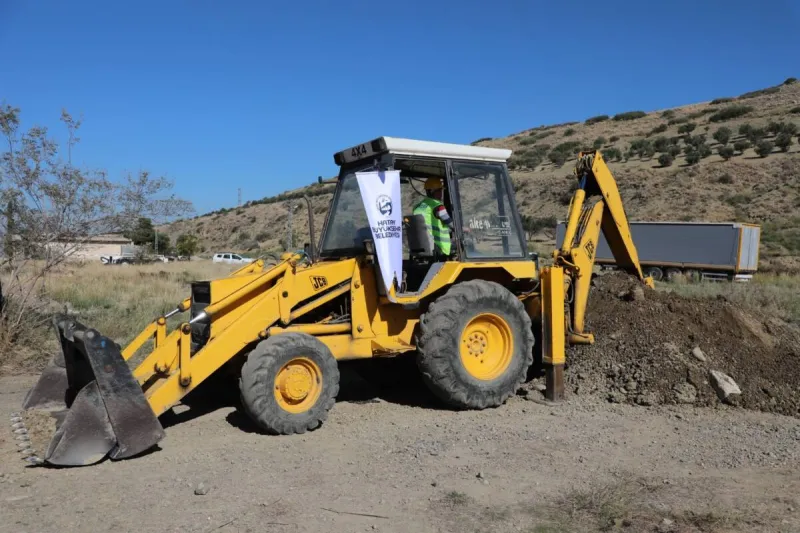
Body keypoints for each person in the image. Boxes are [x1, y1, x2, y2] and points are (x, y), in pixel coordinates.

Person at [412, 177, 454, 258]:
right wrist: (464, 229)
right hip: (439, 246)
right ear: (432, 191)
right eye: (440, 190)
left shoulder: (417, 207)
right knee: (467, 243)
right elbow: (452, 225)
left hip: (421, 246)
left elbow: (429, 226)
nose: (441, 193)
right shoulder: (438, 207)